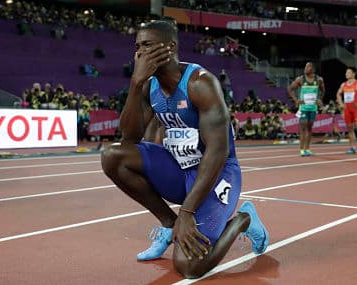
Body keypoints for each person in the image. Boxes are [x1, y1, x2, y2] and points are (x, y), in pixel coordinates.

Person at [101, 20, 269, 279]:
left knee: (189, 267)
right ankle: (169, 224)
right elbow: (129, 137)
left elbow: (217, 153)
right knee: (112, 156)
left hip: (217, 174)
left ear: (169, 47)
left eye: (147, 45)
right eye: (137, 47)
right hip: (180, 170)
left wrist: (188, 212)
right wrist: (135, 84)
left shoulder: (201, 84)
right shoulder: (148, 86)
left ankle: (242, 220)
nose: (139, 53)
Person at [288, 62, 325, 156]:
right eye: (305, 66)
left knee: (309, 128)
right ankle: (301, 149)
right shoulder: (300, 79)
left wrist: (320, 99)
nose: (305, 68)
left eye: (307, 67)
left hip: (313, 108)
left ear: (313, 69)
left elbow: (323, 90)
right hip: (303, 107)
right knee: (303, 128)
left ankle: (307, 149)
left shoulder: (319, 80)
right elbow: (290, 89)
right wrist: (296, 100)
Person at [336, 67, 357, 154]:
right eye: (346, 72)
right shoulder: (343, 84)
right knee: (350, 129)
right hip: (347, 109)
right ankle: (352, 148)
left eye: (348, 72)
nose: (346, 74)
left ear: (353, 74)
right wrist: (341, 104)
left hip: (355, 108)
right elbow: (338, 94)